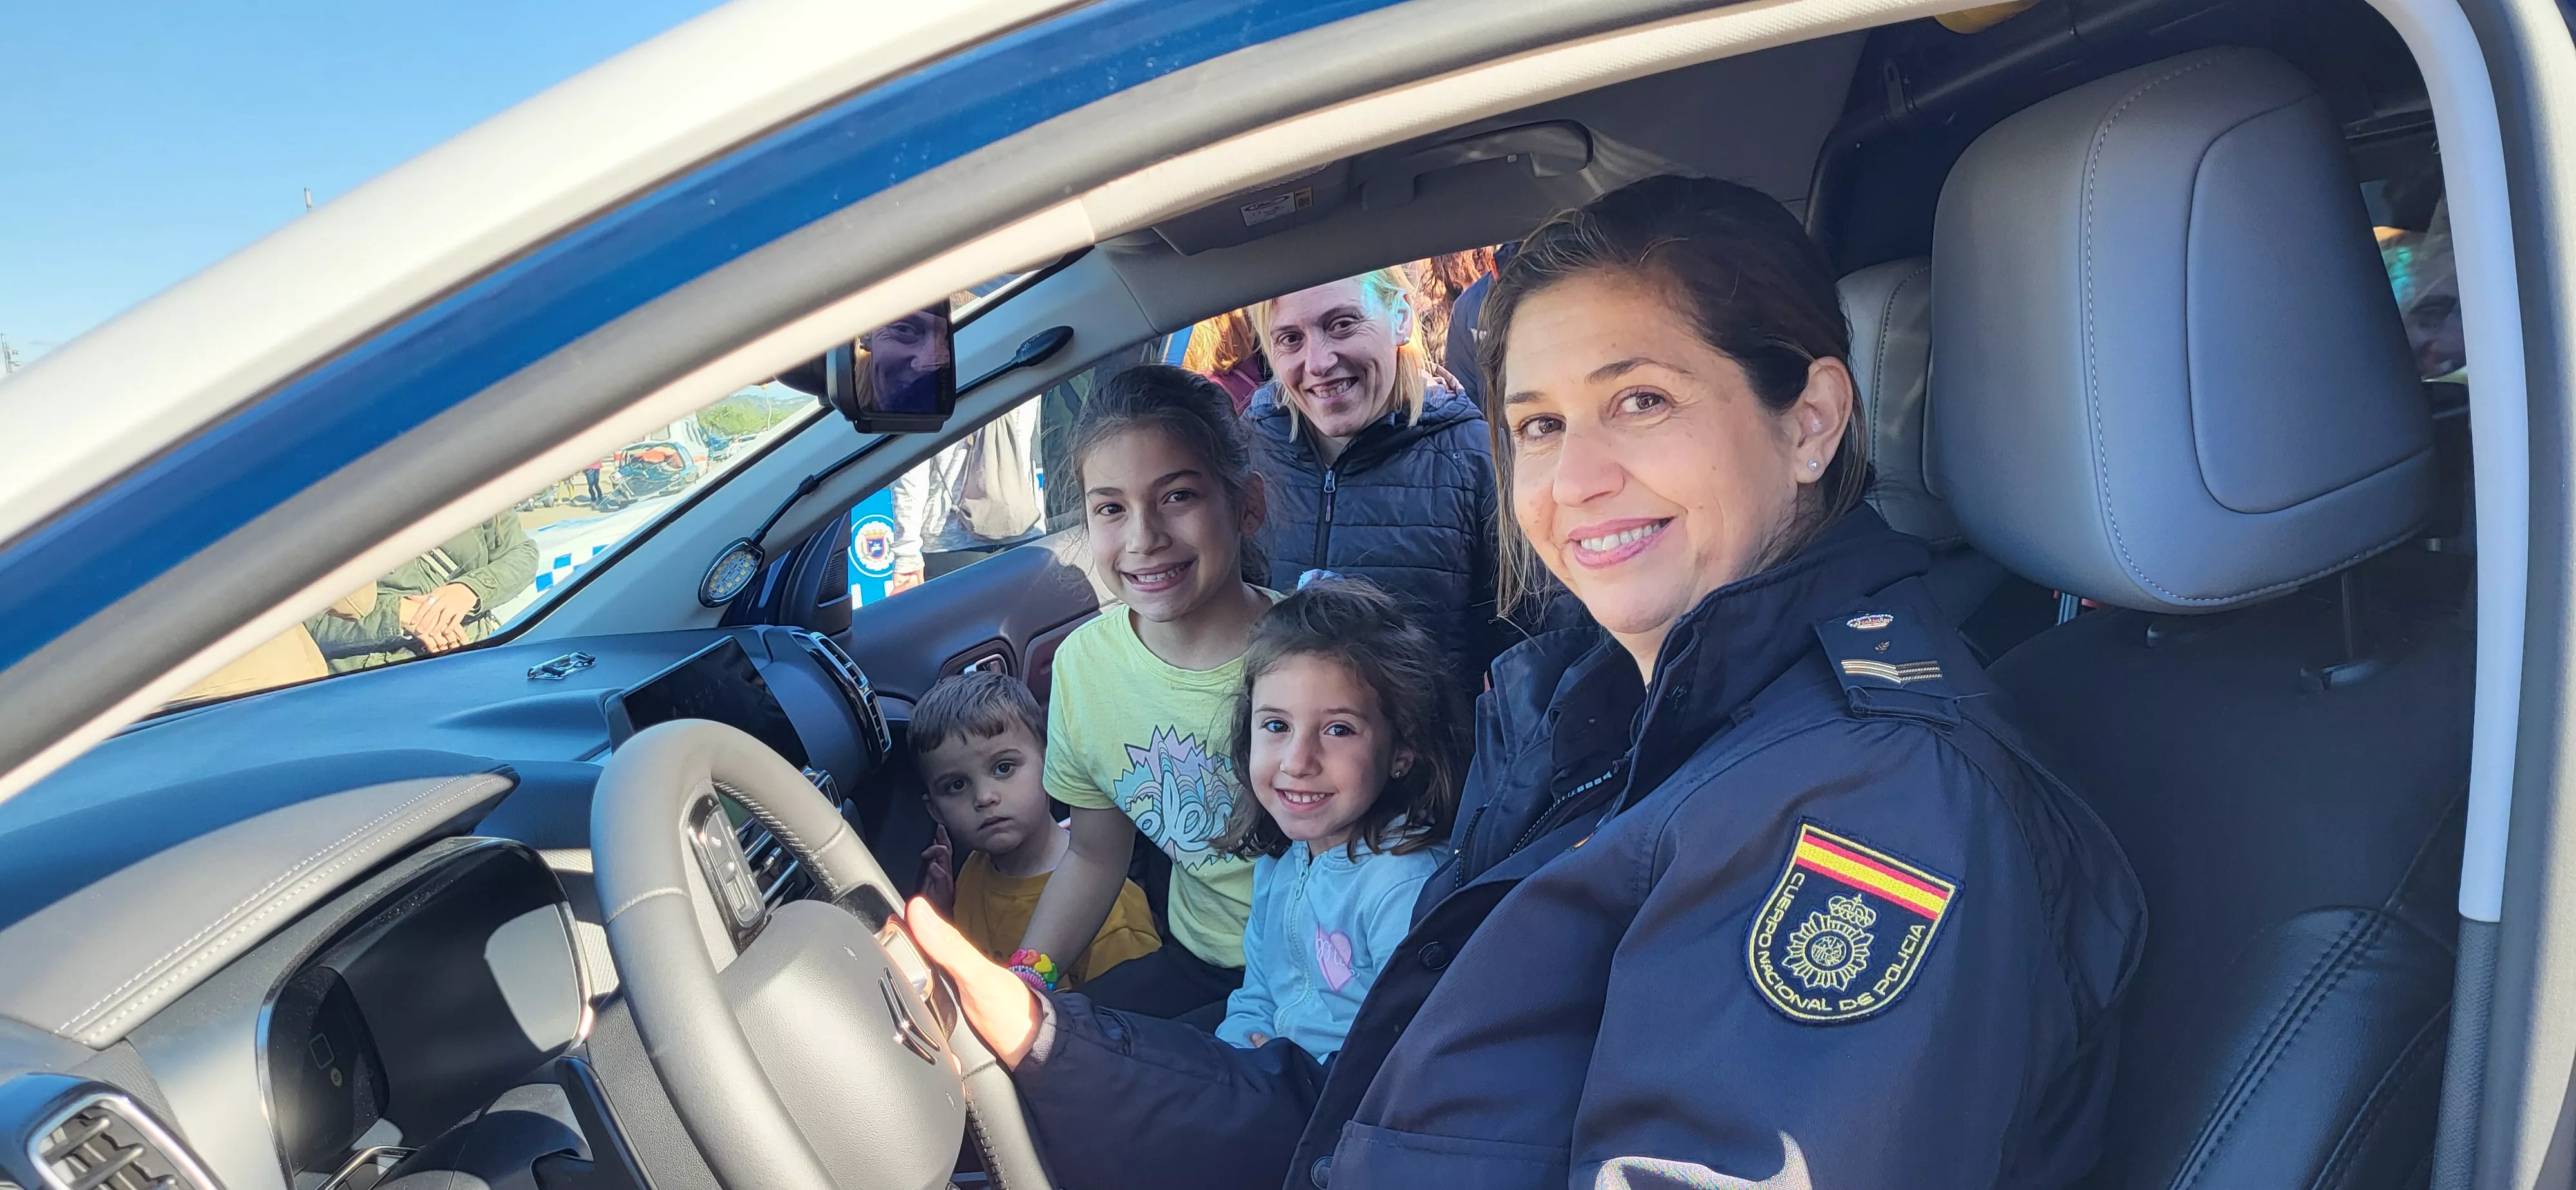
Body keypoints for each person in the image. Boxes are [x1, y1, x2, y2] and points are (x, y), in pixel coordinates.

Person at [906, 175, 2146, 1189]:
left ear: (1812, 417)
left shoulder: (1873, 800)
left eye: (1642, 400)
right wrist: (1055, 1043)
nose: (1576, 478)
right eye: (1540, 424)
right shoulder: (1604, 706)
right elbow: (1388, 1096)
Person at [1010, 364, 1281, 1025]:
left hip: (1328, 964)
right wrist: (1027, 980)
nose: (1143, 538)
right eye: (1110, 508)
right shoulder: (1084, 668)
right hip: (1198, 958)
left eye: (1177, 497)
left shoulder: (1317, 657)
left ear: (1245, 504)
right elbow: (1096, 853)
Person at [1213, 579, 1457, 1060]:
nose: (1298, 761)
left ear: (1402, 751)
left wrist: (1298, 1078)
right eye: (1277, 726)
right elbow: (1258, 996)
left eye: (1339, 729)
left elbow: (1412, 1052)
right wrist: (1237, 1062)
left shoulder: (1402, 888)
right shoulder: (1282, 863)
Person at [1243, 267, 1508, 690]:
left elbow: (1524, 648)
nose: (1319, 363)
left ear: (1401, 318)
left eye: (1343, 324)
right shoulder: (1251, 447)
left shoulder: (1476, 457)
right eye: (1291, 339)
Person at [913, 670, 1162, 990]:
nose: (984, 797)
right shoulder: (973, 872)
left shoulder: (1113, 913)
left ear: (1053, 763)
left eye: (1004, 768)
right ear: (935, 810)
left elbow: (1136, 1022)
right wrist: (942, 911)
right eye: (956, 785)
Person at [306, 511, 538, 673]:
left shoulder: (464, 474)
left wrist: (470, 589)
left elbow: (521, 552)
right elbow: (307, 623)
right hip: (375, 678)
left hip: (476, 655)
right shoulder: (324, 508)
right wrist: (397, 615)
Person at [889, 399, 1044, 592]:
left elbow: (911, 470)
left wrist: (907, 555)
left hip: (951, 544)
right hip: (1026, 531)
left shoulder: (929, 383)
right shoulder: (1019, 373)